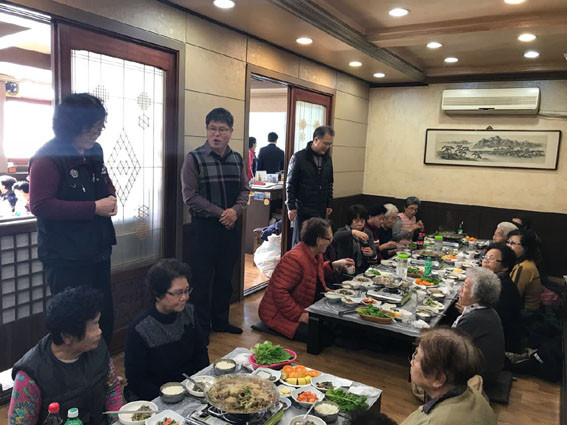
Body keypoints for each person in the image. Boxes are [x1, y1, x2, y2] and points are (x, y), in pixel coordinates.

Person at [29, 93, 117, 346]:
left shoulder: (95, 150)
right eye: (91, 127)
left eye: (100, 126)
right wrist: (94, 207)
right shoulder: (48, 157)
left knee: (103, 315)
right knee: (74, 321)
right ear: (72, 125)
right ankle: (75, 369)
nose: (97, 133)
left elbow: (104, 181)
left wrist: (111, 197)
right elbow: (40, 205)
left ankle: (102, 365)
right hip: (65, 255)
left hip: (98, 248)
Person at [181, 107, 250, 336]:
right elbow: (190, 196)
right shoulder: (194, 158)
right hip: (204, 228)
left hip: (230, 228)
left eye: (222, 129)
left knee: (225, 277)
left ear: (231, 131)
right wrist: (222, 213)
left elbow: (245, 190)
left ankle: (221, 321)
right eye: (212, 129)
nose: (216, 134)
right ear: (207, 130)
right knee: (200, 280)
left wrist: (235, 212)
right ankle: (201, 328)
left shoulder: (237, 158)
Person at [9, 287, 123, 425]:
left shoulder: (97, 347)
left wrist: (116, 422)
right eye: (93, 326)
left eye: (98, 323)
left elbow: (112, 388)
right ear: (67, 336)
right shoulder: (30, 375)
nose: (99, 331)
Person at [124, 259, 209, 401]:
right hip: (157, 393)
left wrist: (201, 381)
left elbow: (200, 351)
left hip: (189, 385)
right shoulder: (140, 329)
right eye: (178, 293)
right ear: (158, 295)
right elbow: (136, 379)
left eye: (187, 290)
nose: (184, 297)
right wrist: (168, 397)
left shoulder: (189, 311)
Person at [258, 218, 353, 340]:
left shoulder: (315, 254)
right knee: (324, 336)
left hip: (303, 305)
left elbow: (312, 275)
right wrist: (300, 315)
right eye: (329, 239)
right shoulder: (294, 259)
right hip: (277, 313)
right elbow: (279, 292)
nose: (330, 242)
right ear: (318, 240)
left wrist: (334, 265)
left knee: (340, 326)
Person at [402, 327, 497, 425]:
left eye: (416, 357)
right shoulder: (477, 398)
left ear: (438, 379)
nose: (412, 362)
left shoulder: (432, 422)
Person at [453, 267, 505, 388]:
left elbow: (451, 349)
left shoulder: (473, 318)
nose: (461, 289)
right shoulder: (488, 311)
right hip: (490, 370)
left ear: (477, 296)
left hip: (480, 377)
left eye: (465, 286)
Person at [286, 126, 334, 246]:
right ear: (316, 140)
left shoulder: (327, 159)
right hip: (303, 208)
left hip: (320, 208)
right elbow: (290, 184)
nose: (327, 147)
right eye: (326, 143)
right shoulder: (299, 157)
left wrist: (329, 203)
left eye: (330, 144)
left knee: (318, 243)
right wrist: (291, 206)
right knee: (301, 243)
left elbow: (329, 182)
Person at [481, 243, 523, 353]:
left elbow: (494, 320)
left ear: (505, 267)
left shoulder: (503, 288)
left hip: (501, 344)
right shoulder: (495, 281)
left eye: (492, 259)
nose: (486, 261)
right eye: (485, 257)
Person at [333, 204, 377, 273]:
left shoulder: (367, 232)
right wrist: (353, 232)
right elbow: (335, 236)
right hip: (346, 269)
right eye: (356, 221)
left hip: (363, 269)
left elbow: (374, 252)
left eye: (362, 221)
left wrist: (371, 253)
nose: (360, 224)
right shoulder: (343, 231)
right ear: (350, 220)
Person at [507, 229, 542, 311]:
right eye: (507, 242)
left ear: (526, 248)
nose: (508, 246)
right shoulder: (520, 262)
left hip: (525, 312)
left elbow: (511, 297)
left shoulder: (523, 268)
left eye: (512, 243)